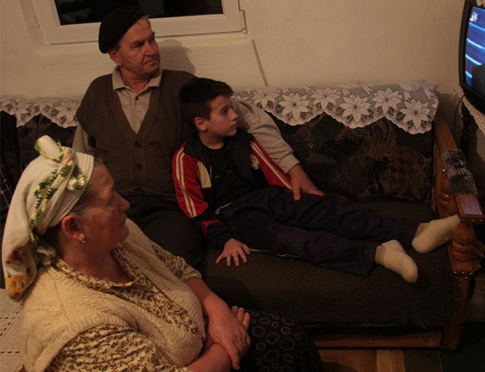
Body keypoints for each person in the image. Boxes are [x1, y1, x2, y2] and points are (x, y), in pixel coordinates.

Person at [1, 136, 322, 372]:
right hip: (206, 359)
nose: (125, 205)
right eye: (111, 200)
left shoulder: (119, 239)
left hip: (204, 342)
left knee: (287, 336)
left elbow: (177, 268)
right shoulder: (78, 327)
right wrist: (222, 351)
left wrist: (218, 311)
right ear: (73, 227)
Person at [73, 5, 321, 270]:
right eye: (138, 45)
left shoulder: (183, 86)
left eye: (152, 40)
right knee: (90, 257)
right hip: (114, 203)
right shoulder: (97, 92)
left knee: (180, 261)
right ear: (115, 56)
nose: (152, 50)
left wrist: (293, 169)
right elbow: (80, 157)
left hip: (168, 207)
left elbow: (252, 120)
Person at [172, 78, 462, 283]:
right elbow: (197, 213)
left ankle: (417, 232)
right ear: (201, 123)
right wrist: (226, 239)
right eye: (225, 111)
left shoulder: (242, 139)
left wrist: (300, 197)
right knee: (292, 239)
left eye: (232, 107)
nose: (235, 115)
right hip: (237, 217)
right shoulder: (187, 158)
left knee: (330, 207)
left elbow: (272, 172)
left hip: (270, 198)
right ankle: (381, 253)